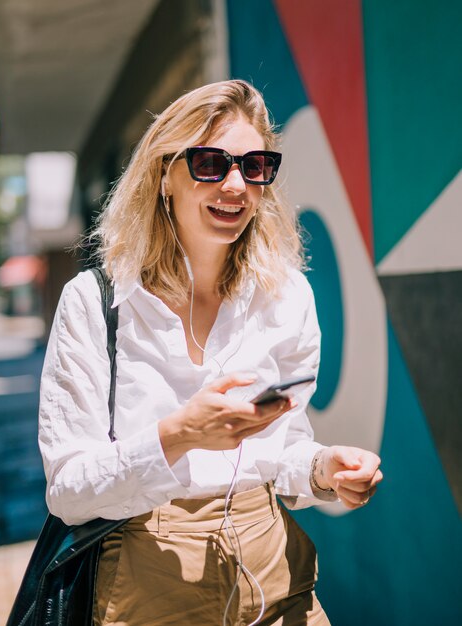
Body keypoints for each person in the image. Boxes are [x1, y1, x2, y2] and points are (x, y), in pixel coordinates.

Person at [38, 79, 382, 626]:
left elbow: (283, 449)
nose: (235, 184)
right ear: (164, 177)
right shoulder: (94, 303)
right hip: (149, 582)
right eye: (210, 163)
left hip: (277, 572)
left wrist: (321, 470)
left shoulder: (286, 294)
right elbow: (69, 491)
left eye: (254, 166)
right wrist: (178, 435)